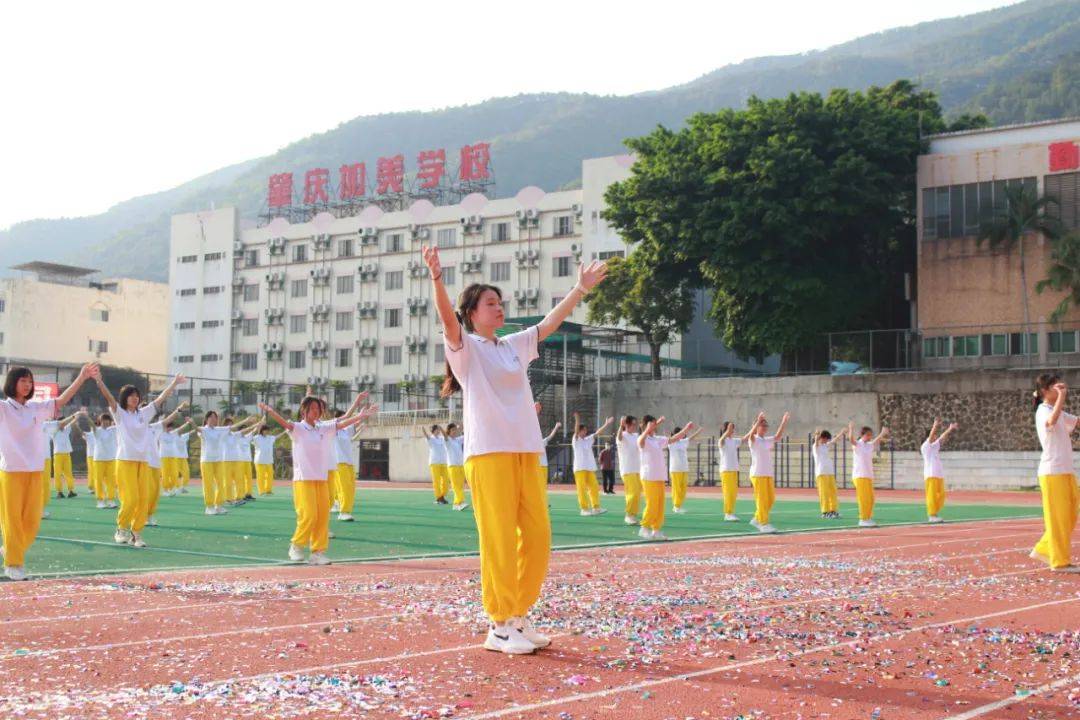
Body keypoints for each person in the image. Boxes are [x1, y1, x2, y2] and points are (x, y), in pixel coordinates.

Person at [424, 242, 607, 654]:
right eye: (491, 303)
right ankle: (499, 623)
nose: (499, 308)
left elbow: (548, 323)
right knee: (499, 540)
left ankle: (518, 614)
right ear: (472, 313)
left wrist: (580, 289)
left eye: (500, 303)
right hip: (489, 454)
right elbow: (447, 321)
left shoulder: (512, 346)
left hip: (527, 452)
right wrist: (437, 278)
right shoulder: (465, 348)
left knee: (538, 537)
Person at [0, 363, 98, 580]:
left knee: (33, 521)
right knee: (12, 519)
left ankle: (10, 548)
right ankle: (14, 563)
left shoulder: (36, 407)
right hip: (11, 471)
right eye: (22, 380)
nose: (27, 385)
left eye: (29, 381)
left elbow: (62, 400)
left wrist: (82, 377)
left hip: (35, 470)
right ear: (12, 383)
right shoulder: (4, 408)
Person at [259, 395, 369, 565]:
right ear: (304, 411)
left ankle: (318, 552)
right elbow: (285, 424)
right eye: (312, 409)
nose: (316, 412)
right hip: (304, 479)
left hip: (321, 478)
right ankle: (296, 545)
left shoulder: (323, 428)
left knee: (323, 516)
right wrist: (271, 411)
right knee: (309, 515)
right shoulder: (298, 428)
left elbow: (342, 423)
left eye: (318, 409)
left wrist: (361, 416)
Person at [92, 374, 185, 547]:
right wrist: (99, 381)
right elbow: (110, 398)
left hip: (143, 462)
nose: (134, 398)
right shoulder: (119, 413)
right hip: (125, 461)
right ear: (125, 398)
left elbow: (160, 399)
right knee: (131, 499)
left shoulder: (144, 413)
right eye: (131, 395)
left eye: (137, 395)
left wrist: (174, 383)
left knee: (143, 499)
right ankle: (121, 529)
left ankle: (136, 533)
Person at [1030, 374, 1080, 572]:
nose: (1059, 388)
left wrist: (1060, 399)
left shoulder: (1057, 411)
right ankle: (1059, 562)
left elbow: (1075, 422)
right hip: (1052, 472)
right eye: (1054, 387)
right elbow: (1051, 421)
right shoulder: (1043, 411)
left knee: (1070, 513)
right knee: (1058, 517)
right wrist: (1062, 396)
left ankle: (1044, 548)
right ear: (1044, 391)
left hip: (1066, 470)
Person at [637, 415, 695, 540]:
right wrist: (647, 429)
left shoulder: (656, 439)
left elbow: (673, 439)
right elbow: (641, 442)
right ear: (646, 425)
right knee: (651, 503)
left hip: (659, 476)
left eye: (654, 424)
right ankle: (644, 527)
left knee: (659, 504)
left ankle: (656, 529)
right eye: (651, 424)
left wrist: (686, 429)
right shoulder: (643, 439)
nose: (654, 427)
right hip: (648, 476)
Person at [745, 410, 790, 534]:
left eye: (766, 425)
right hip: (757, 474)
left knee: (771, 499)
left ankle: (757, 518)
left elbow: (777, 437)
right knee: (762, 499)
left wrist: (784, 422)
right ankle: (763, 523)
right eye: (762, 425)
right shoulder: (753, 439)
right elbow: (750, 436)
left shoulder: (766, 440)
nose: (765, 427)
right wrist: (757, 421)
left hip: (768, 473)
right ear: (757, 426)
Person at [848, 421, 889, 529]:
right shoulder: (858, 444)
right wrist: (851, 429)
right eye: (868, 435)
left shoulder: (869, 445)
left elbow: (876, 441)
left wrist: (882, 433)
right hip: (860, 475)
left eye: (871, 435)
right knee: (864, 498)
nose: (870, 437)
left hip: (868, 476)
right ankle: (863, 519)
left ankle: (868, 517)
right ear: (862, 435)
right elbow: (851, 440)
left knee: (870, 498)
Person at [571, 412, 613, 517]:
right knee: (581, 489)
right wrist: (577, 420)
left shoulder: (588, 439)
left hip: (589, 468)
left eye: (586, 430)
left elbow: (597, 433)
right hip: (580, 468)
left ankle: (596, 507)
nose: (586, 432)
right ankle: (584, 509)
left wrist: (606, 424)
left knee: (594, 487)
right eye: (584, 430)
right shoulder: (576, 439)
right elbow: (576, 431)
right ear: (580, 431)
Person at [921, 417, 958, 524]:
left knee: (941, 495)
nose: (936, 437)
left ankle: (935, 513)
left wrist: (950, 429)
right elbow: (932, 435)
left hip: (939, 475)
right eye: (934, 436)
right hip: (930, 475)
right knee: (932, 495)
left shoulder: (935, 446)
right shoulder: (925, 447)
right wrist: (935, 425)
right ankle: (932, 515)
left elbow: (942, 437)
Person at [197, 411, 230, 515]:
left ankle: (219, 505)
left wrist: (247, 421)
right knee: (208, 484)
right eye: (211, 417)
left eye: (215, 417)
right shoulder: (203, 430)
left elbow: (231, 428)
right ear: (206, 419)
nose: (213, 419)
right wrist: (191, 422)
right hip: (207, 460)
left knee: (221, 483)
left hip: (218, 460)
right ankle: (209, 507)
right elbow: (196, 429)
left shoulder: (218, 430)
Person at [812, 427, 847, 519]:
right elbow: (816, 444)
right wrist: (816, 436)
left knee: (833, 492)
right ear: (822, 438)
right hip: (821, 472)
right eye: (826, 438)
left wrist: (841, 433)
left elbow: (834, 441)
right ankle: (825, 512)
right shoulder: (816, 446)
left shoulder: (825, 446)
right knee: (824, 493)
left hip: (829, 472)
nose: (827, 440)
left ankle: (833, 510)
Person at [668, 423, 703, 514]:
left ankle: (679, 506)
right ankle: (676, 506)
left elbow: (691, 438)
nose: (683, 435)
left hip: (684, 468)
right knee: (677, 489)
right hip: (675, 469)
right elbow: (674, 437)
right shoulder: (671, 443)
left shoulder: (683, 442)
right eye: (681, 433)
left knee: (683, 489)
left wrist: (699, 431)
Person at [616, 416, 642, 526]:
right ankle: (629, 515)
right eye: (632, 424)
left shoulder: (636, 435)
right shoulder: (623, 435)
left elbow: (643, 438)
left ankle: (633, 514)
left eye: (635, 424)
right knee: (633, 492)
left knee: (637, 492)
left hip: (637, 469)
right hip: (627, 469)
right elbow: (619, 437)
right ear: (627, 425)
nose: (634, 427)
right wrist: (621, 426)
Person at [45, 414, 80, 498]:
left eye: (65, 422)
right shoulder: (54, 431)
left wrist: (77, 415)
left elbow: (72, 422)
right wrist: (50, 419)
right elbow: (51, 424)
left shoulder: (67, 429)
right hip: (58, 454)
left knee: (69, 473)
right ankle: (59, 491)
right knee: (57, 474)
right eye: (62, 422)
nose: (64, 424)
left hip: (67, 454)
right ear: (58, 423)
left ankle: (71, 490)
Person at [91, 413, 119, 509]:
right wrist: (85, 416)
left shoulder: (113, 429)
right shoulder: (97, 431)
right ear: (100, 421)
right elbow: (92, 425)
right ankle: (100, 500)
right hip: (99, 459)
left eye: (107, 420)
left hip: (111, 459)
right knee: (98, 480)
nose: (106, 422)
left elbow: (121, 422)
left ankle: (111, 500)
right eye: (104, 420)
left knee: (111, 481)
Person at [252, 419, 284, 496]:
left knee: (270, 476)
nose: (266, 432)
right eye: (265, 430)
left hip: (269, 460)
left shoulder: (270, 438)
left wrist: (285, 431)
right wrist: (258, 425)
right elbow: (251, 436)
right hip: (260, 461)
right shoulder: (256, 438)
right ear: (262, 431)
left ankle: (268, 490)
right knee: (261, 477)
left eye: (267, 430)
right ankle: (261, 491)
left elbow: (277, 437)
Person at [717, 422, 741, 522]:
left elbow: (744, 439)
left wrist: (755, 426)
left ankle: (731, 512)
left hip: (734, 469)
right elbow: (721, 440)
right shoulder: (722, 441)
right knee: (728, 493)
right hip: (726, 470)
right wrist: (727, 431)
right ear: (725, 429)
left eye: (733, 428)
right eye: (730, 428)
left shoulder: (734, 441)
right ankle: (727, 513)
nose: (732, 430)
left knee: (733, 493)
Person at [421, 425, 451, 505]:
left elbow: (446, 437)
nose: (438, 431)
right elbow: (427, 437)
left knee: (445, 481)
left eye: (439, 429)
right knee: (436, 481)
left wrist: (442, 429)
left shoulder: (442, 438)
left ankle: (442, 496)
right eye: (437, 430)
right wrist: (423, 431)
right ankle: (439, 498)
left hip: (444, 462)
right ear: (433, 431)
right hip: (434, 463)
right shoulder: (431, 439)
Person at [445, 422, 469, 511]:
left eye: (455, 430)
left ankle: (456, 504)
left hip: (460, 466)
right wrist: (442, 430)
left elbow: (466, 435)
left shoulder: (458, 440)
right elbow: (445, 436)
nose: (454, 431)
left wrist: (462, 427)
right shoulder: (447, 441)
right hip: (452, 466)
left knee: (460, 485)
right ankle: (460, 502)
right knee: (456, 486)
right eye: (452, 430)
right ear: (449, 431)